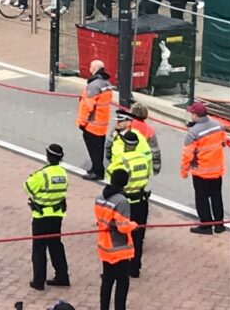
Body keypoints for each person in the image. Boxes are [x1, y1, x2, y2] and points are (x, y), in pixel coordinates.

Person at [106, 130, 152, 278]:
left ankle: (121, 267)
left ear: (126, 145)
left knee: (121, 237)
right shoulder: (144, 159)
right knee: (138, 237)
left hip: (125, 203)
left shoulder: (122, 160)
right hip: (141, 202)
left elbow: (111, 177)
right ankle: (135, 267)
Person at [25, 144, 70, 290]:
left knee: (39, 248)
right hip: (57, 215)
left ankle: (39, 281)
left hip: (41, 216)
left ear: (48, 156)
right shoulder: (63, 173)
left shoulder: (41, 174)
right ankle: (63, 276)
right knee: (56, 245)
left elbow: (28, 187)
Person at [180, 102, 229, 234]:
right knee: (216, 197)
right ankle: (219, 225)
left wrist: (184, 171)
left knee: (202, 199)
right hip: (217, 170)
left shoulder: (193, 133)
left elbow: (187, 155)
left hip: (201, 172)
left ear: (195, 115)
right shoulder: (218, 126)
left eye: (192, 113)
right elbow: (223, 142)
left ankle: (206, 225)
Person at [96, 169, 136, 310]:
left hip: (104, 245)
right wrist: (134, 225)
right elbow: (123, 227)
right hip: (119, 249)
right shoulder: (122, 201)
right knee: (122, 282)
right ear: (125, 183)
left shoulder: (99, 197)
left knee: (107, 280)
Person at [77, 60, 112, 180]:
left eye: (91, 66)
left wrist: (82, 122)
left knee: (94, 149)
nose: (89, 68)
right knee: (99, 148)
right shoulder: (106, 83)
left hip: (92, 124)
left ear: (95, 68)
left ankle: (98, 171)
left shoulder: (93, 86)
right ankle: (96, 168)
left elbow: (88, 106)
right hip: (102, 123)